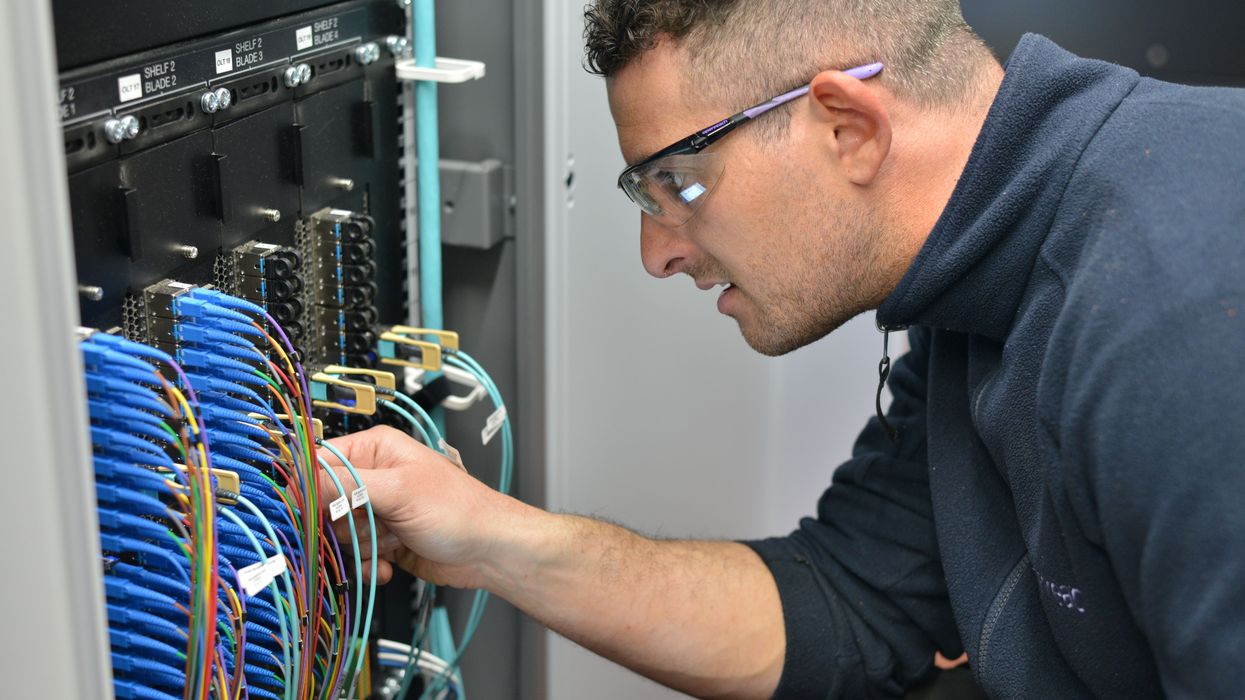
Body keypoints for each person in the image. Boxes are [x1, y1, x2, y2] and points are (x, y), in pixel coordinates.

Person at [321, 1, 1245, 697]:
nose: (659, 252)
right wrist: (485, 540)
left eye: (676, 183)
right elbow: (848, 602)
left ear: (848, 127)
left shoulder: (1180, 319)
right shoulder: (982, 282)